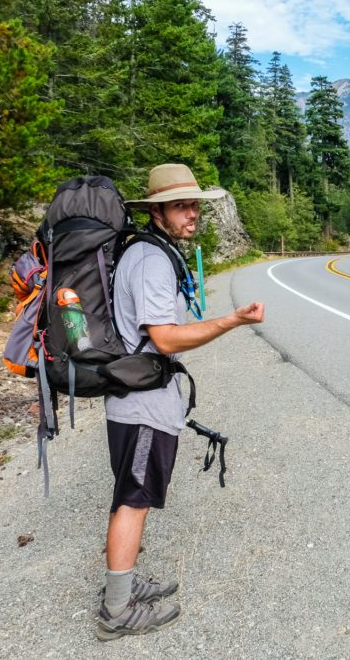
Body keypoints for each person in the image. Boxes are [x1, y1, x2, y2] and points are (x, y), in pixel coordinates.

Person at [96, 163, 265, 641]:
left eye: (195, 204)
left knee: (134, 496)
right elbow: (165, 339)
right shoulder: (150, 260)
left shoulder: (152, 251)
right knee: (133, 499)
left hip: (141, 399)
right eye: (180, 206)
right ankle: (116, 610)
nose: (192, 214)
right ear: (155, 211)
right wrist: (231, 321)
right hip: (141, 404)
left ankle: (124, 584)